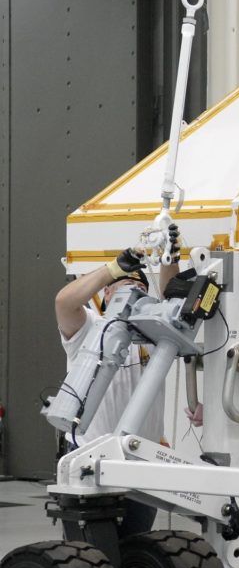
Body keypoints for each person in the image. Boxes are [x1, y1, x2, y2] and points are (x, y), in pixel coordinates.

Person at [54, 225, 180, 536]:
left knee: (138, 553)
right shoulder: (90, 327)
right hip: (91, 464)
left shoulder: (154, 332)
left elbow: (173, 296)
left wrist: (170, 256)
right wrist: (111, 269)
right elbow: (63, 302)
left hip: (140, 463)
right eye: (119, 286)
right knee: (92, 557)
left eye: (137, 286)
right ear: (105, 295)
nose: (129, 292)